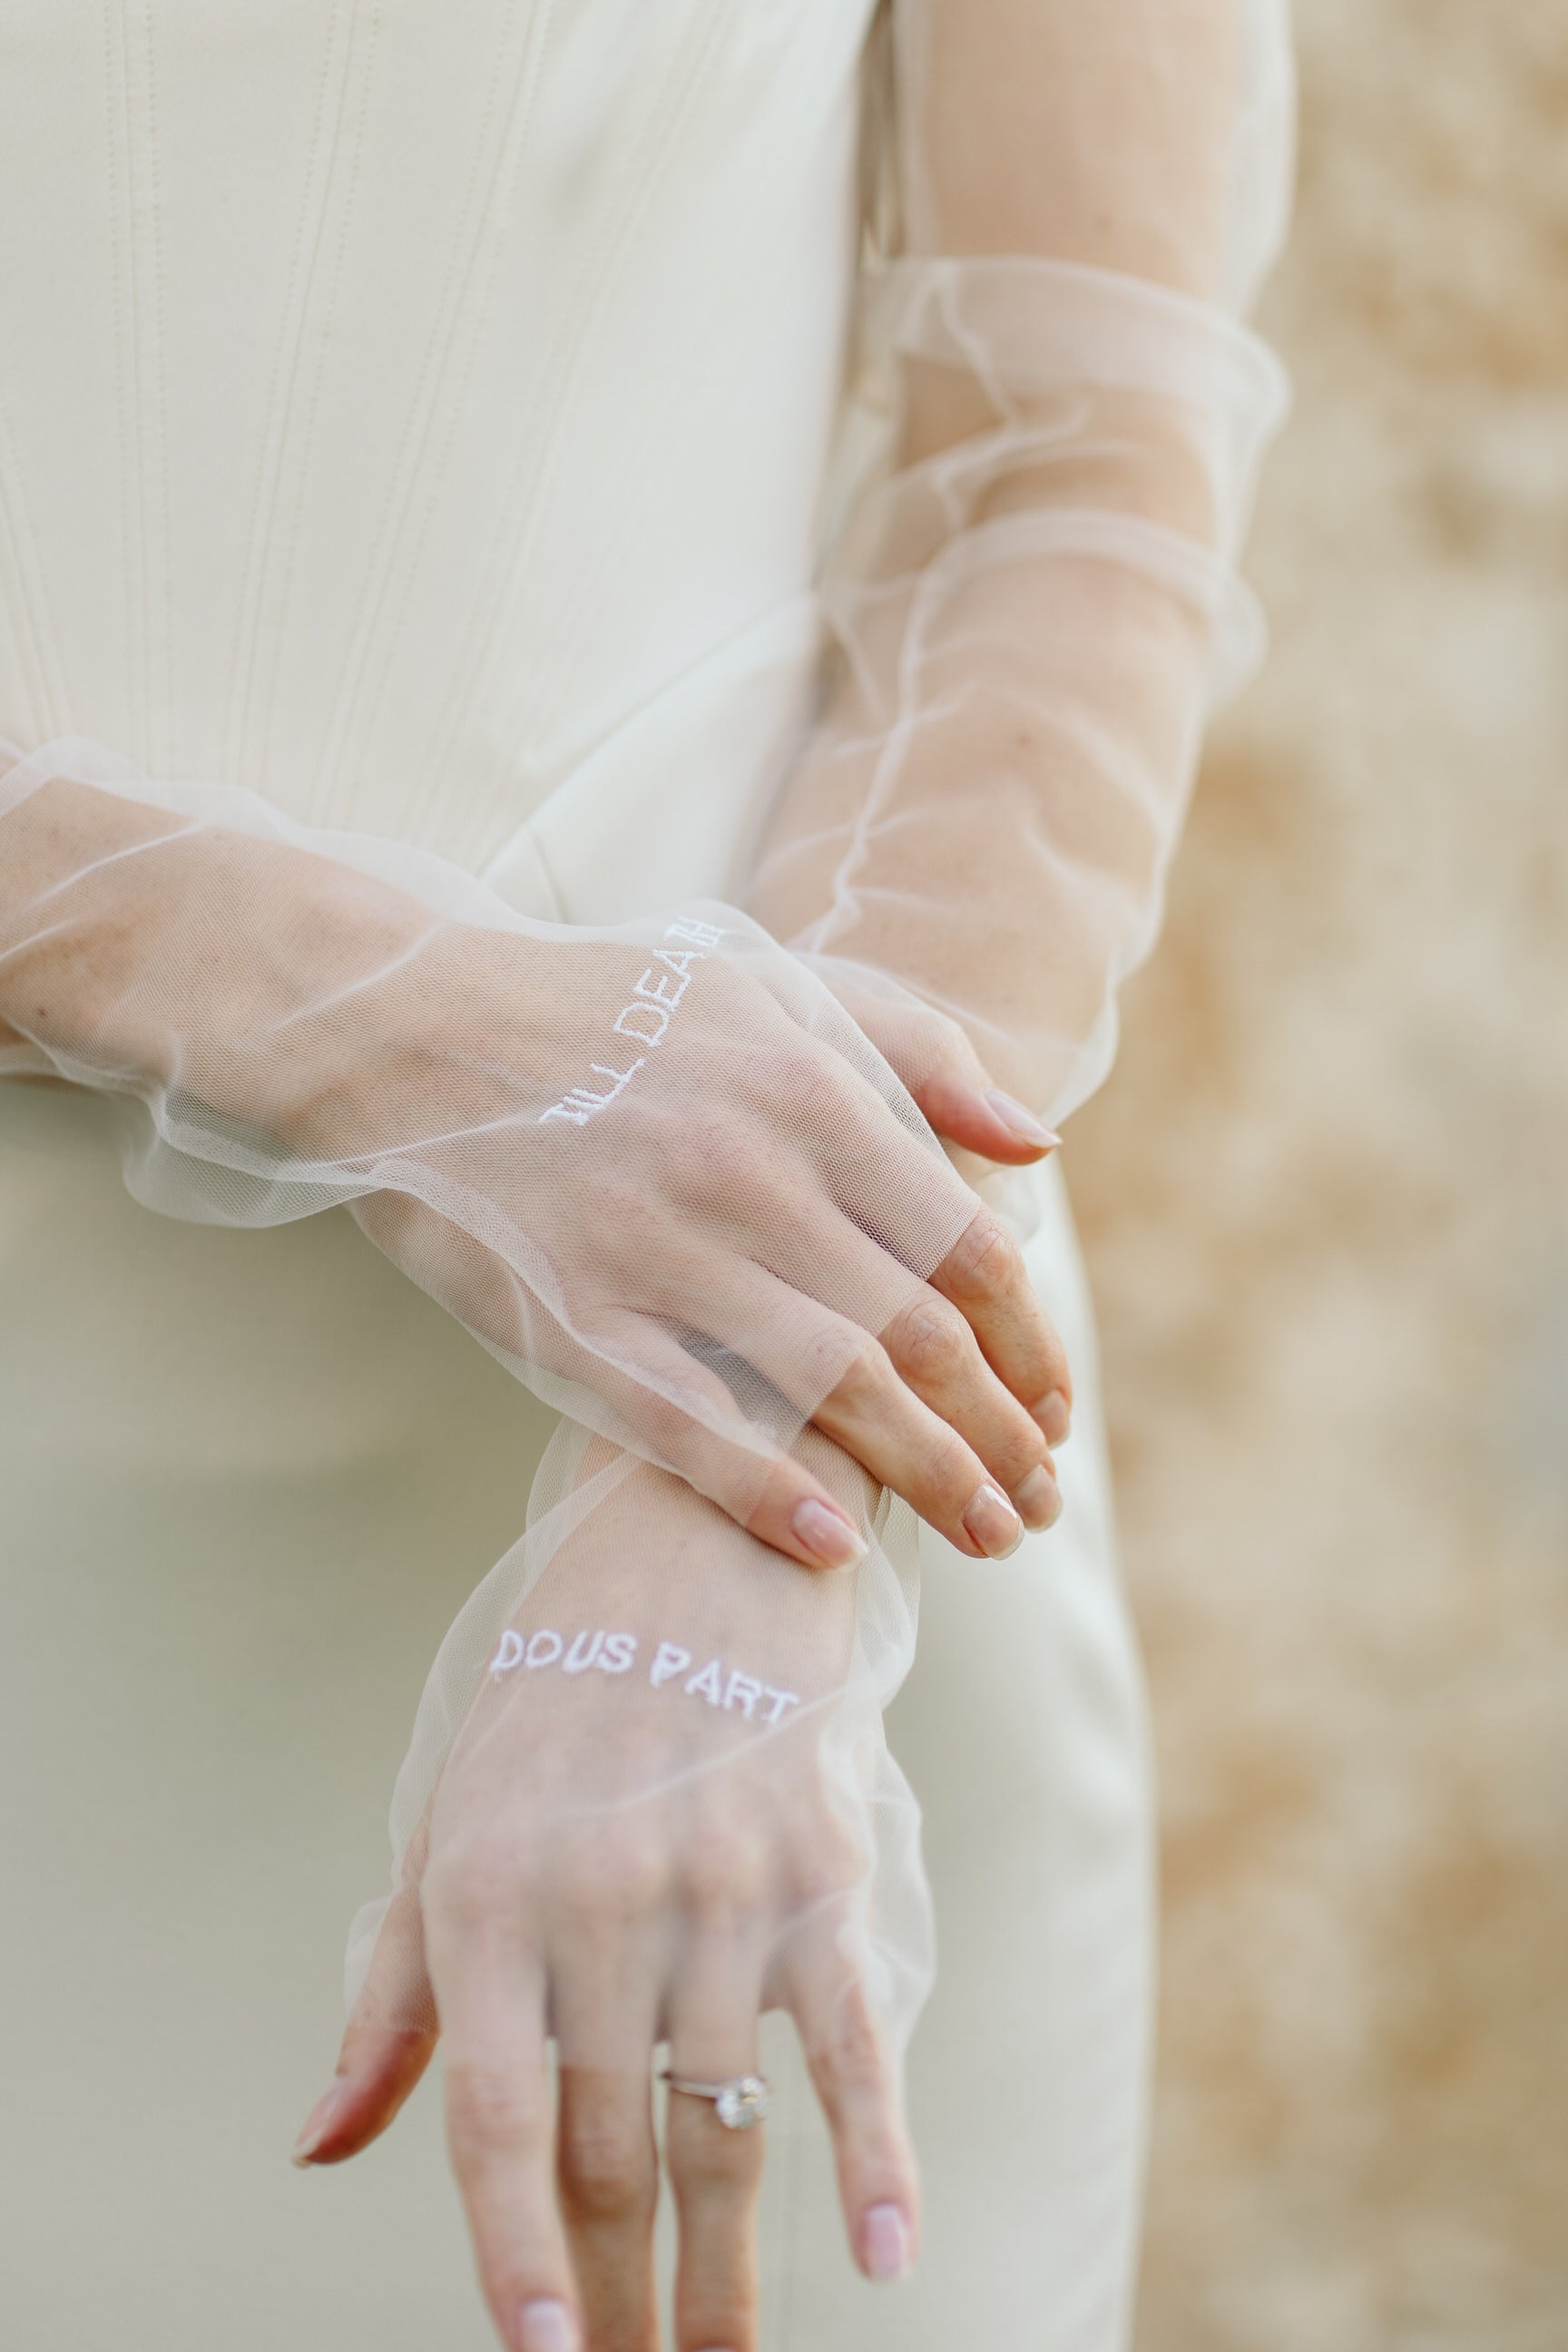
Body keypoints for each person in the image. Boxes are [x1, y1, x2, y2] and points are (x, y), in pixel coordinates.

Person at [0, 3, 1290, 2347]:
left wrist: (735, 1476)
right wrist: (378, 1012)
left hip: (731, 1531)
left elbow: (1071, 468)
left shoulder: (736, 1517)